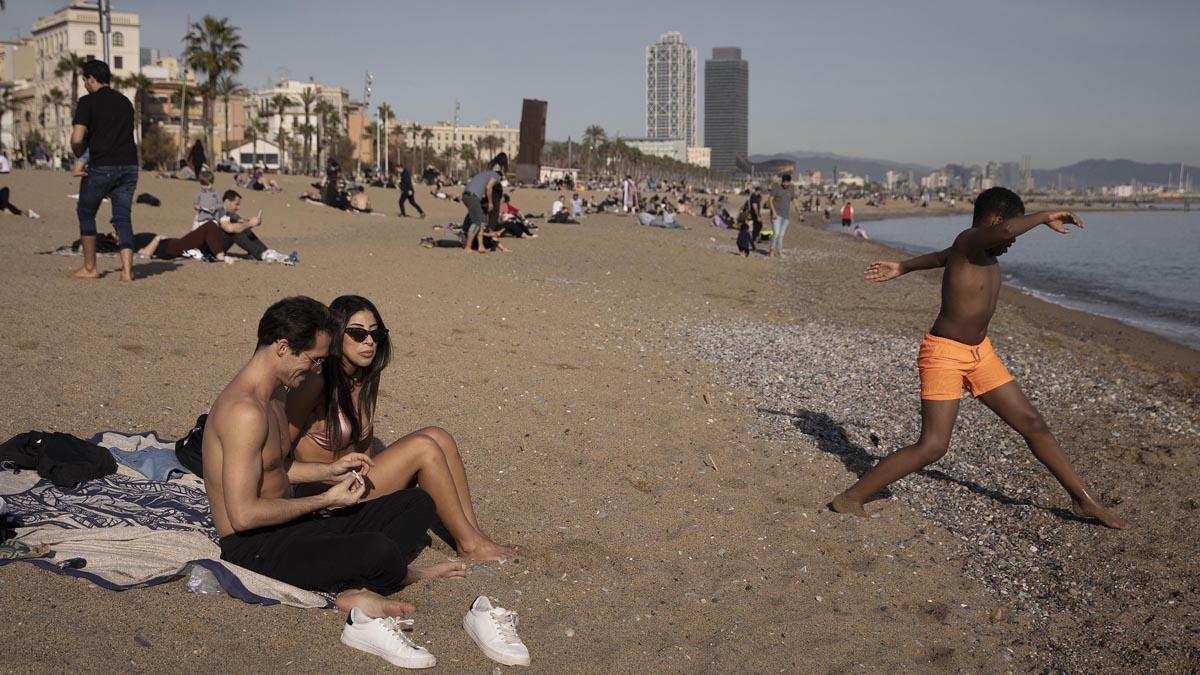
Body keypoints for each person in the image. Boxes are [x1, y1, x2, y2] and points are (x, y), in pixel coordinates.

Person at [829, 188, 1127, 529]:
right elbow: (1003, 234)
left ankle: (1083, 500)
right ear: (998, 221)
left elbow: (941, 257)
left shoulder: (972, 251)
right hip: (944, 354)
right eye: (1011, 229)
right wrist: (1045, 215)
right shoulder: (970, 239)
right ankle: (851, 498)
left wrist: (903, 266)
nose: (1012, 241)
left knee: (1033, 424)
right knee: (933, 446)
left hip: (980, 354)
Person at [203, 297, 465, 668]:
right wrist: (324, 500)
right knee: (379, 550)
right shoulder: (244, 411)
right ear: (283, 347)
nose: (315, 371)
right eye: (313, 360)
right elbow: (243, 516)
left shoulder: (274, 394)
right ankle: (390, 579)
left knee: (417, 504)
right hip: (255, 547)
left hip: (289, 525)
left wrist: (330, 471)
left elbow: (277, 469)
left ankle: (361, 582)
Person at [287, 296, 518, 560]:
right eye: (358, 334)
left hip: (354, 487)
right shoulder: (315, 384)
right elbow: (276, 456)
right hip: (325, 502)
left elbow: (361, 449)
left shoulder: (363, 378)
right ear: (337, 335)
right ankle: (470, 546)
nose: (369, 342)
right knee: (423, 448)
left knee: (438, 436)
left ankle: (474, 535)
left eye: (376, 334)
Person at [69, 59, 139, 282]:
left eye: (85, 80)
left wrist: (79, 154)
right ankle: (127, 271)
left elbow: (77, 138)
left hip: (102, 166)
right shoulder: (125, 102)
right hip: (129, 166)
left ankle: (90, 267)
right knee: (122, 218)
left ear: (91, 78)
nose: (85, 85)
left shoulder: (87, 102)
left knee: (86, 212)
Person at [206, 189, 296, 264]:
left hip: (218, 246)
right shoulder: (219, 211)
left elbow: (242, 222)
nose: (238, 207)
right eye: (236, 204)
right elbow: (229, 228)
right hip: (208, 249)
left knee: (241, 226)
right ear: (227, 202)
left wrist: (255, 222)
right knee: (236, 229)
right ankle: (262, 254)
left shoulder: (229, 214)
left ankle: (266, 252)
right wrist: (250, 224)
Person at [461, 153, 507, 254]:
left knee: (479, 221)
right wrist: (490, 202)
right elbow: (488, 187)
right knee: (476, 222)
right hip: (472, 196)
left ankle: (480, 246)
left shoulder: (486, 173)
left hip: (467, 195)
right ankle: (468, 247)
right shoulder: (496, 176)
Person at [765, 174, 798, 258]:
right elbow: (770, 200)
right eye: (784, 182)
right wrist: (774, 212)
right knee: (776, 233)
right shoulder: (776, 188)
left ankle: (779, 252)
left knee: (781, 235)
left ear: (790, 182)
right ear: (782, 181)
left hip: (786, 216)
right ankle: (771, 251)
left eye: (787, 182)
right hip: (776, 215)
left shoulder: (791, 189)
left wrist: (800, 212)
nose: (786, 184)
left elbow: (794, 200)